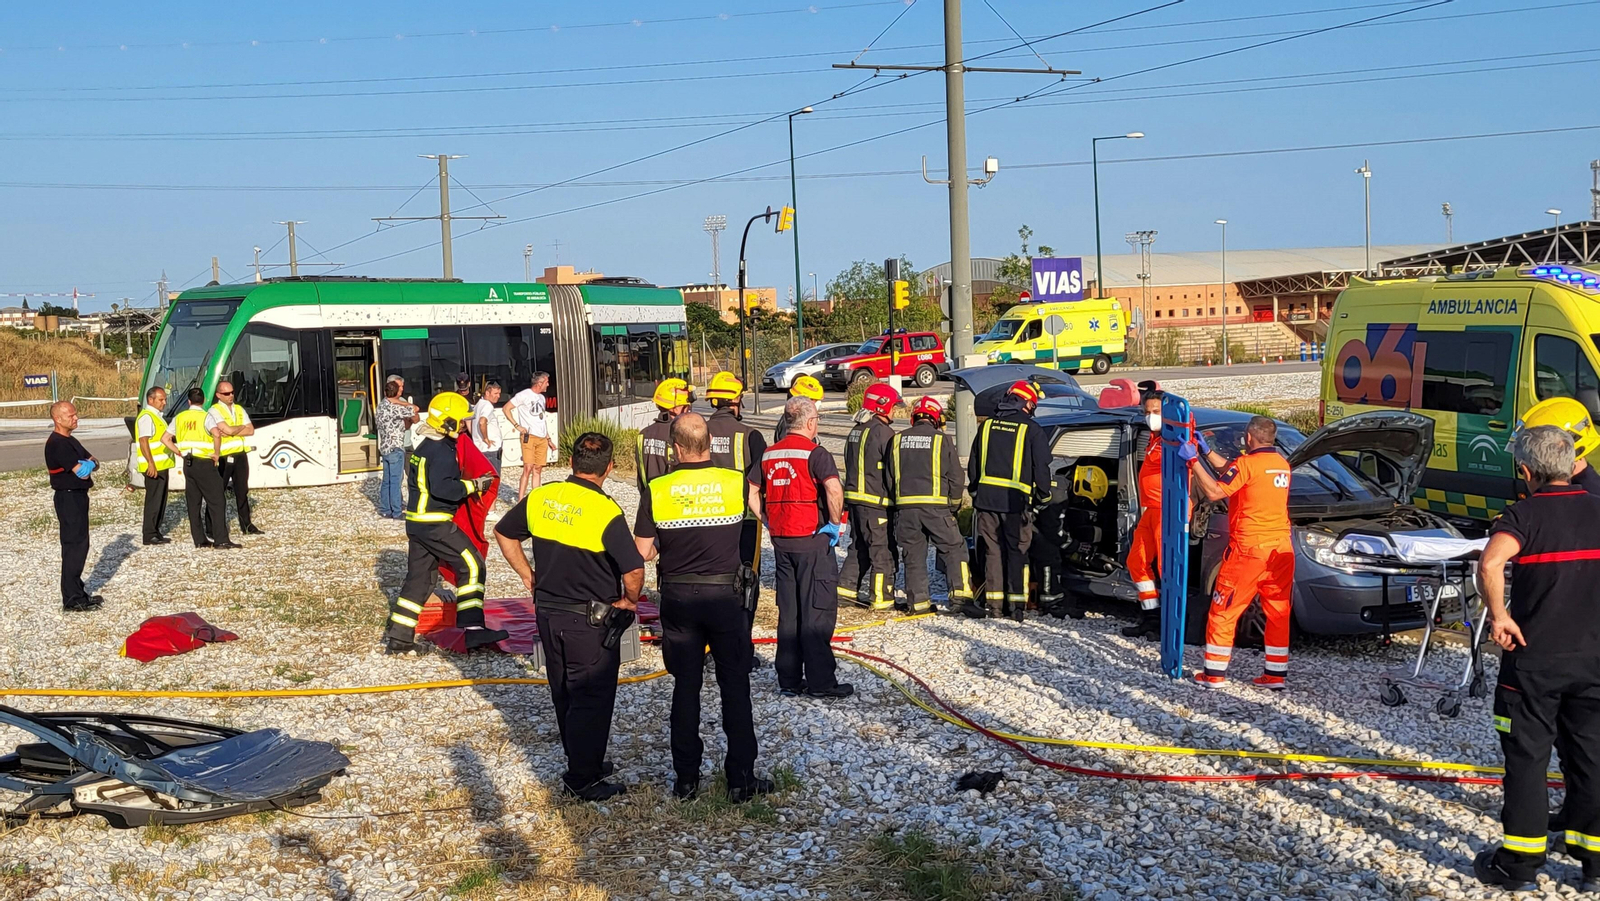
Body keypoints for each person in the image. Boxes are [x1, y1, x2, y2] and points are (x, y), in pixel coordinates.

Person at [1473, 425, 1600, 893]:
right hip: (1594, 661)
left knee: (1527, 759)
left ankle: (1520, 865)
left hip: (1534, 662)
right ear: (1573, 465)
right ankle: (1593, 861)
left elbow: (1490, 563)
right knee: (1591, 756)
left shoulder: (1523, 515)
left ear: (1525, 471)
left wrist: (1499, 615)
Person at [495, 432, 645, 801]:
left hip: (548, 612)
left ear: (573, 463)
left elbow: (503, 533)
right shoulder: (605, 510)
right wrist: (629, 601)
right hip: (589, 620)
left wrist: (528, 576)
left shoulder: (542, 497)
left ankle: (585, 760)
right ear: (609, 468)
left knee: (563, 690)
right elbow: (634, 570)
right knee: (592, 695)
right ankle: (583, 779)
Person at [634, 413, 771, 802]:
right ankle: (742, 779)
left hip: (678, 598)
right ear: (710, 442)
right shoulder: (734, 483)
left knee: (686, 687)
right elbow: (765, 520)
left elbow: (643, 551)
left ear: (675, 448)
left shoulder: (658, 489)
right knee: (735, 686)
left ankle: (686, 780)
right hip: (727, 599)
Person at [385, 392, 506, 655]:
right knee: (473, 565)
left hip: (417, 524)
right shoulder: (440, 452)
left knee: (420, 581)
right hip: (435, 523)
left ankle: (399, 638)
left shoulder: (425, 446)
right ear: (447, 422)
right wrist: (475, 485)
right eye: (461, 421)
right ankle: (473, 630)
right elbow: (445, 490)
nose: (464, 426)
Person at [751, 397, 852, 699]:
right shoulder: (815, 453)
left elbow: (751, 491)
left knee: (790, 613)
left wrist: (766, 519)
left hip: (782, 543)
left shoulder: (769, 454)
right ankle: (821, 682)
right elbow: (834, 489)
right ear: (810, 423)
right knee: (817, 613)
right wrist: (835, 524)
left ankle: (789, 681)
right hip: (813, 542)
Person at [1183, 414, 1293, 689]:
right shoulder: (1281, 464)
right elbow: (1236, 473)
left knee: (1224, 610)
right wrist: (1208, 453)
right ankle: (1275, 675)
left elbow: (1215, 492)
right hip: (1280, 549)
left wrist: (1193, 461)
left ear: (1248, 438)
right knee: (1278, 611)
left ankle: (1214, 674)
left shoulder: (1247, 464)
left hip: (1249, 550)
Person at [965, 380, 1051, 621]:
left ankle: (994, 606)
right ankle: (1016, 608)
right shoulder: (1032, 429)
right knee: (1017, 552)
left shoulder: (987, 426)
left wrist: (974, 491)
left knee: (992, 552)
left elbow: (973, 463)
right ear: (1028, 403)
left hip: (986, 502)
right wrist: (1044, 496)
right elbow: (1042, 468)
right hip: (1016, 504)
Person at [888, 396, 971, 614]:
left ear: (914, 417)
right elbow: (956, 477)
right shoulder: (942, 440)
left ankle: (918, 604)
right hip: (936, 509)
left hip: (905, 510)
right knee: (954, 549)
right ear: (935, 418)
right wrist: (953, 506)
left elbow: (889, 478)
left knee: (913, 554)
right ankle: (961, 599)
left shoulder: (897, 440)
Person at [704, 372, 767, 612]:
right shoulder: (750, 435)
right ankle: (741, 633)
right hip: (745, 520)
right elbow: (763, 478)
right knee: (747, 578)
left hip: (707, 518)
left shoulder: (698, 431)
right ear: (734, 401)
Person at [838, 383, 900, 611]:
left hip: (855, 501)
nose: (894, 412)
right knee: (881, 550)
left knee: (859, 547)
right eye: (893, 406)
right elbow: (893, 471)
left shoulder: (856, 429)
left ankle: (844, 591)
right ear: (882, 406)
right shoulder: (885, 433)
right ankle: (882, 599)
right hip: (876, 503)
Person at [1123, 381, 1172, 640]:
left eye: (1155, 411)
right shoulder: (1155, 439)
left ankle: (1169, 624)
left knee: (1167, 568)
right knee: (1137, 562)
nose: (1150, 416)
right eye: (1147, 411)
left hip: (1167, 510)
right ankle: (1151, 616)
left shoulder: (1175, 439)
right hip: (1150, 509)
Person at [45, 401, 103, 612]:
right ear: (58, 419)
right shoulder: (57, 444)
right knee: (73, 546)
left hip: (79, 496)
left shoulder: (72, 440)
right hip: (68, 497)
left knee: (82, 544)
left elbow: (95, 461)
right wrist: (87, 465)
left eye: (75, 414)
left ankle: (78, 591)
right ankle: (72, 598)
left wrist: (90, 463)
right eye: (70, 416)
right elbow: (83, 471)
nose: (75, 418)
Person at [172, 388, 235, 549]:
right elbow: (217, 434)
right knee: (217, 500)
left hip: (188, 463)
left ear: (189, 401)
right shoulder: (206, 416)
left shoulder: (179, 417)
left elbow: (165, 438)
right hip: (204, 463)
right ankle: (221, 539)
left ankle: (199, 540)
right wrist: (216, 453)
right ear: (204, 400)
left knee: (193, 503)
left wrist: (178, 451)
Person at [207, 380, 262, 535]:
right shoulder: (214, 410)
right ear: (218, 395)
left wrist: (233, 430)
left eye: (232, 392)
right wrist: (239, 429)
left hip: (240, 454)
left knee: (242, 490)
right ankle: (212, 527)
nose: (231, 395)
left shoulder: (238, 409)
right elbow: (228, 430)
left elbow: (250, 430)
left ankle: (246, 525)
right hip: (223, 456)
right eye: (226, 393)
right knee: (218, 492)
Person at [134, 386, 179, 546]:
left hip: (162, 465)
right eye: (161, 399)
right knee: (153, 500)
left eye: (165, 399)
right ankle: (149, 534)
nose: (164, 402)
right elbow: (143, 441)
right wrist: (151, 464)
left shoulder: (156, 416)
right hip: (154, 467)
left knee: (161, 499)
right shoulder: (147, 417)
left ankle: (156, 531)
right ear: (150, 400)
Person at [636, 378, 693, 491]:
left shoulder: (643, 435)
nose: (689, 409)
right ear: (676, 409)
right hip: (670, 502)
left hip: (649, 499)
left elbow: (641, 475)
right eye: (686, 406)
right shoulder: (680, 435)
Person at [375, 377, 419, 520]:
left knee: (386, 480)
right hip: (396, 447)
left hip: (385, 448)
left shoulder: (381, 405)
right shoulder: (395, 408)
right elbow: (415, 411)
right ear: (396, 393)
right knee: (395, 481)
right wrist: (402, 402)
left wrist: (394, 400)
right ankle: (397, 511)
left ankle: (385, 509)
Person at [507, 372, 552, 500]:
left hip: (542, 438)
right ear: (540, 383)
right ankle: (521, 499)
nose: (548, 384)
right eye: (546, 382)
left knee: (538, 469)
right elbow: (506, 408)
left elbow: (541, 420)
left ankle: (535, 498)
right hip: (529, 437)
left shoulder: (542, 398)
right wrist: (517, 426)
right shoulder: (523, 395)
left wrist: (548, 438)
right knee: (528, 467)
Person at [470, 380, 505, 499]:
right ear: (487, 392)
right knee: (493, 481)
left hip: (480, 448)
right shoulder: (488, 406)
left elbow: (470, 421)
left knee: (483, 481)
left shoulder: (478, 404)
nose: (498, 396)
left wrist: (475, 437)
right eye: (495, 393)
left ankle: (485, 508)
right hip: (490, 449)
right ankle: (491, 510)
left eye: (499, 393)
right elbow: (482, 421)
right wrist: (485, 438)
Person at [773, 374, 825, 443]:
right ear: (801, 402)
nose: (818, 404)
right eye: (814, 400)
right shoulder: (792, 427)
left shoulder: (795, 420)